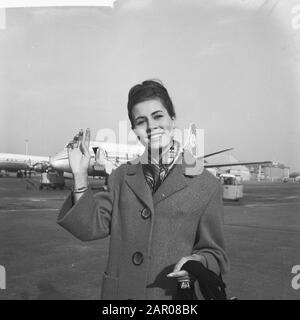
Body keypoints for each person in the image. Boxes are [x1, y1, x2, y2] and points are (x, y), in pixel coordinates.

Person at [57, 80, 229, 300]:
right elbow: (90, 228)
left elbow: (216, 254)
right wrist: (80, 175)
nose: (151, 126)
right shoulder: (121, 177)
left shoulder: (207, 185)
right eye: (141, 121)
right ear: (135, 130)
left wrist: (199, 262)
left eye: (158, 116)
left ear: (172, 119)